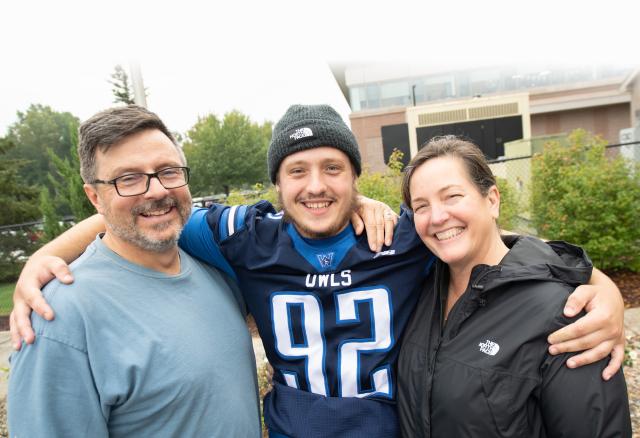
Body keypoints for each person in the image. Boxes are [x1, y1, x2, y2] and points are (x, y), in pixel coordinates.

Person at [11, 105, 625, 437]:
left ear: (358, 180)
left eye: (334, 168)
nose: (315, 185)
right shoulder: (241, 236)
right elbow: (147, 209)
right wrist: (49, 255)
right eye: (297, 171)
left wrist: (599, 291)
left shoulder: (403, 233)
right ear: (273, 184)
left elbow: (497, 245)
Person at [8, 106, 262, 437]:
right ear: (94, 197)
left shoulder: (218, 269)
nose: (156, 191)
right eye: (128, 179)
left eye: (168, 171)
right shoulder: (58, 318)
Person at [396, 136, 631, 437]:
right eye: (421, 206)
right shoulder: (418, 289)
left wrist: (607, 289)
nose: (438, 217)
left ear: (492, 199)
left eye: (453, 196)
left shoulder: (564, 313)